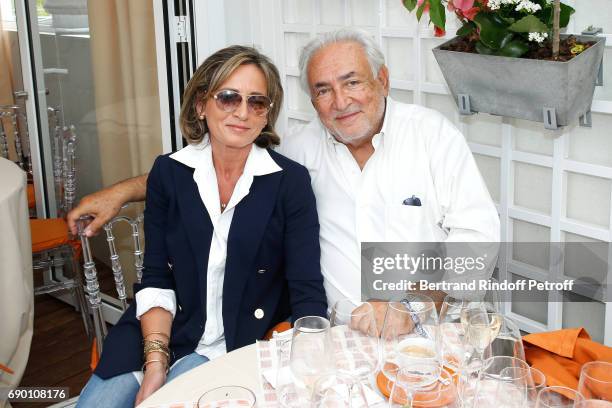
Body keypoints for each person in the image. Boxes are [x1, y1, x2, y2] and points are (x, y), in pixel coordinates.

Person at [68, 28, 499, 334]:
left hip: (429, 331)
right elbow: (220, 166)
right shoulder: (298, 152)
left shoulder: (432, 135)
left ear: (382, 81)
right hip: (334, 336)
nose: (340, 101)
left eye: (353, 83)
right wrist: (122, 192)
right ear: (311, 99)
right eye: (323, 89)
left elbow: (477, 235)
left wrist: (413, 306)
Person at [75, 45, 327, 408]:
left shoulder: (289, 182)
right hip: (160, 330)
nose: (242, 112)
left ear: (267, 114)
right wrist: (155, 363)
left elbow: (306, 287)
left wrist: (311, 366)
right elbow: (158, 275)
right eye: (228, 98)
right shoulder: (169, 173)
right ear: (200, 104)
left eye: (257, 102)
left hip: (230, 343)